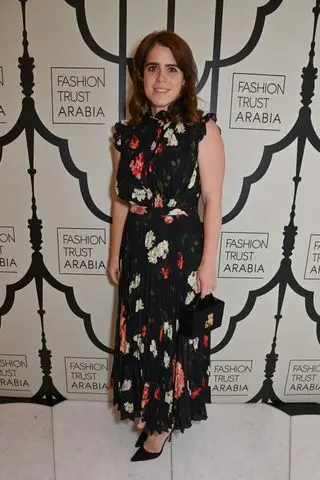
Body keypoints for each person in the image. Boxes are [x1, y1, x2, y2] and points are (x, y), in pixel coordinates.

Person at [107, 30, 225, 462]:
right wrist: (114, 252)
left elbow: (212, 200)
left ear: (185, 77)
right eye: (153, 67)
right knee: (141, 333)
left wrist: (208, 263)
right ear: (141, 75)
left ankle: (162, 422)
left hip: (180, 252)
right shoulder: (126, 134)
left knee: (172, 335)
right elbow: (122, 198)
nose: (161, 78)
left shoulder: (202, 130)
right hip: (138, 250)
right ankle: (149, 407)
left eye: (171, 68)